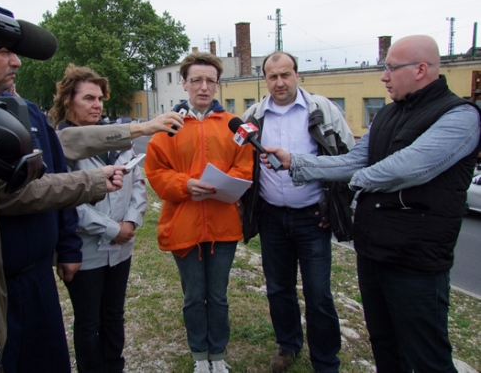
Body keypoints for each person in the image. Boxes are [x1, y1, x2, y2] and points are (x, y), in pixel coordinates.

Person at [259, 35, 481, 373]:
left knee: (426, 356)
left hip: (416, 259)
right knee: (384, 346)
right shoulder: (388, 114)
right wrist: (297, 162)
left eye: (391, 68)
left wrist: (343, 189)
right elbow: (354, 159)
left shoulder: (459, 116)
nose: (383, 76)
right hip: (374, 251)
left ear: (421, 69)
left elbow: (407, 168)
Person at [0, 4, 130, 372]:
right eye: (5, 51)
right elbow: (11, 194)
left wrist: (67, 246)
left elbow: (53, 175)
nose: (17, 62)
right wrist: (93, 183)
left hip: (39, 273)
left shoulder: (25, 111)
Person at [241, 51, 355, 373]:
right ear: (265, 79)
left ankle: (326, 361)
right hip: (272, 217)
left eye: (285, 74)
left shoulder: (323, 110)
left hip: (313, 218)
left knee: (318, 295)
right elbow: (239, 160)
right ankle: (288, 344)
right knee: (278, 289)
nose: (279, 82)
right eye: (272, 76)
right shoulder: (254, 115)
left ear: (297, 75)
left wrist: (334, 206)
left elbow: (348, 158)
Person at [144, 52, 253, 373]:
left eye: (210, 81)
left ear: (218, 85)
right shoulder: (167, 127)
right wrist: (185, 184)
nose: (203, 87)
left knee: (218, 296)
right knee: (193, 296)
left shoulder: (235, 125)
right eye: (196, 80)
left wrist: (227, 182)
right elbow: (156, 172)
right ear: (184, 83)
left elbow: (245, 166)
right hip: (184, 223)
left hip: (223, 225)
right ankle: (199, 354)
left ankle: (217, 354)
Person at [50, 64, 148, 372]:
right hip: (86, 251)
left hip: (121, 247)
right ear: (69, 101)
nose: (97, 105)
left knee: (114, 315)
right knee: (89, 321)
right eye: (88, 98)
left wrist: (130, 221)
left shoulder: (116, 139)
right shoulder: (60, 145)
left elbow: (138, 182)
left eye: (100, 99)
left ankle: (114, 366)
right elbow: (65, 198)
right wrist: (109, 228)